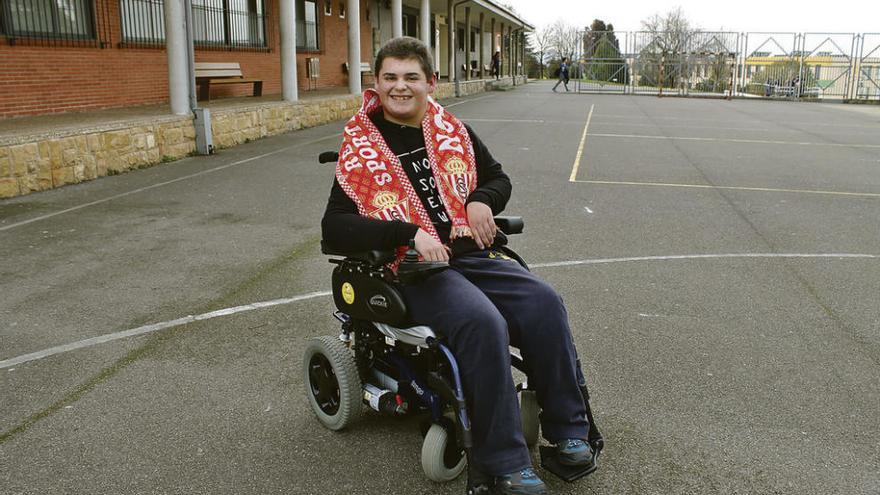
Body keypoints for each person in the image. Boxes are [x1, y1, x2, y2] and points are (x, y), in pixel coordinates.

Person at [322, 37, 594, 495]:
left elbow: (497, 178)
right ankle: (503, 463)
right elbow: (335, 227)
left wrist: (480, 202)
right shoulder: (360, 148)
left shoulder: (453, 131)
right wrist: (407, 234)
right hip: (410, 268)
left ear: (431, 82)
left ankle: (568, 428)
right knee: (481, 321)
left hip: (468, 252)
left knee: (544, 302)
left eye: (411, 77)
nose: (400, 87)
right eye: (390, 77)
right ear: (377, 83)